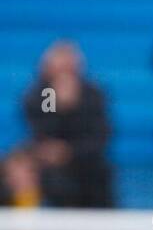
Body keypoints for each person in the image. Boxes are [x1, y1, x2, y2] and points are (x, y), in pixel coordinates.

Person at [21, 41, 113, 208]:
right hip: (53, 167)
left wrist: (70, 151)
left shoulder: (92, 94)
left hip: (88, 163)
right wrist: (60, 107)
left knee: (98, 176)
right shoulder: (41, 95)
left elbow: (99, 135)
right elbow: (43, 133)